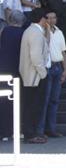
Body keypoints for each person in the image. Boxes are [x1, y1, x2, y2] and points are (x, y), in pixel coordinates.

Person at [19, 8, 49, 144]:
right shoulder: (35, 33)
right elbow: (36, 56)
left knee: (31, 105)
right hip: (34, 76)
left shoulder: (31, 31)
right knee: (33, 105)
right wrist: (43, 73)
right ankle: (30, 134)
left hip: (30, 75)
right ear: (42, 19)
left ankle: (31, 132)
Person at [37, 10, 66, 138]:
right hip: (48, 67)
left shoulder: (59, 32)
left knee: (54, 100)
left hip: (57, 67)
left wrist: (65, 70)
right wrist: (47, 30)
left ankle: (51, 129)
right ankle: (40, 130)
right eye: (48, 18)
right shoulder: (41, 32)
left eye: (54, 18)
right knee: (45, 99)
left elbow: (63, 52)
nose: (51, 20)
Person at [0, 11, 26, 140]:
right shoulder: (23, 34)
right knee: (17, 102)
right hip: (17, 71)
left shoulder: (4, 32)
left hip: (3, 69)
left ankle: (3, 132)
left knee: (3, 101)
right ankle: (14, 130)